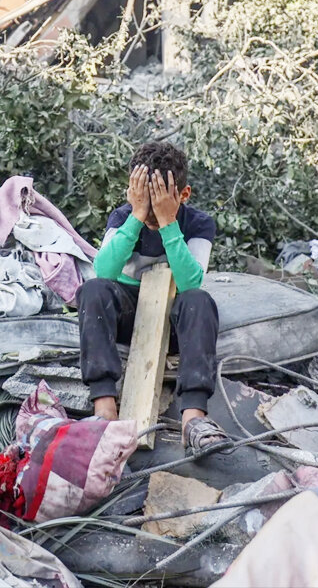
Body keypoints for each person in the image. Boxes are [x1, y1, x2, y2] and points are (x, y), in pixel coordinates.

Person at [77, 141, 228, 456]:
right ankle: (105, 408)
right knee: (92, 290)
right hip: (127, 314)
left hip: (173, 318)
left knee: (200, 301)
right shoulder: (124, 217)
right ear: (132, 193)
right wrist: (137, 216)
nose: (149, 213)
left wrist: (169, 223)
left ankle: (193, 419)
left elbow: (190, 282)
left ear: (182, 196)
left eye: (157, 199)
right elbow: (103, 270)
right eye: (141, 199)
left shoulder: (198, 224)